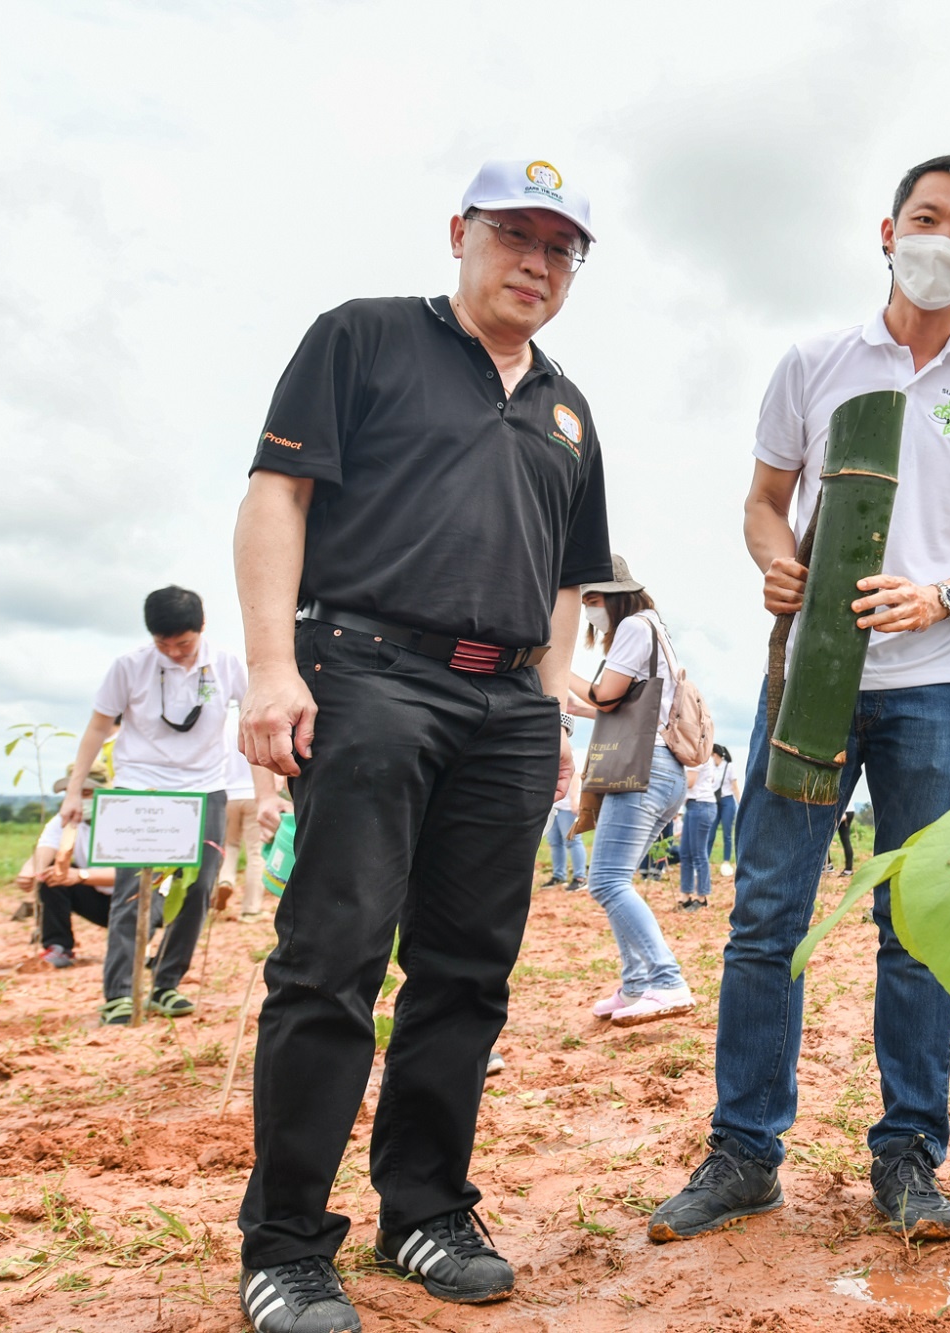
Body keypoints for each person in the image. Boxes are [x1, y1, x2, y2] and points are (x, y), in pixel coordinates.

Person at [231, 157, 609, 1332]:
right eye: (515, 235)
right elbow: (275, 497)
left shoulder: (567, 408)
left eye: (560, 247)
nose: (535, 262)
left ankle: (426, 1210)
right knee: (329, 959)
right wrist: (271, 666)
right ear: (461, 232)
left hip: (504, 710)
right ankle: (287, 1244)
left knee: (465, 972)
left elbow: (565, 580)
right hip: (367, 673)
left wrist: (548, 707)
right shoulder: (361, 338)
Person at [650, 154, 950, 1245]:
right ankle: (743, 1152)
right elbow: (762, 501)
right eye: (924, 217)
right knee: (766, 915)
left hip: (932, 692)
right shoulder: (814, 361)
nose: (940, 238)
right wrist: (775, 563)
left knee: (915, 927)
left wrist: (940, 594)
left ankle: (908, 1154)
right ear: (885, 229)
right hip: (806, 681)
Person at [59, 587, 258, 1026]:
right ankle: (119, 994)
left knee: (198, 891)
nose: (173, 653)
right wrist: (74, 791)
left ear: (201, 629)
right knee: (132, 891)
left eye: (183, 644)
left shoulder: (225, 665)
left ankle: (166, 986)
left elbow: (253, 722)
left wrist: (266, 795)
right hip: (139, 787)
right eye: (163, 645)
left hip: (205, 789)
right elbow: (97, 728)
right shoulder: (129, 666)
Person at [564, 557, 697, 1016]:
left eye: (594, 600)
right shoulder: (654, 629)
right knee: (614, 880)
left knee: (606, 882)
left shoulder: (635, 628)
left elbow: (606, 696)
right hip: (661, 769)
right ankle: (637, 984)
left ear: (618, 595)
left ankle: (666, 978)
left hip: (645, 768)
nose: (588, 610)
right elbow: (609, 709)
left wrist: (557, 666)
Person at [18, 769, 118, 967]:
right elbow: (46, 847)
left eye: (87, 793)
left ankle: (140, 950)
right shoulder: (66, 819)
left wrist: (81, 876)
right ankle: (58, 947)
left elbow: (130, 876)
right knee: (53, 875)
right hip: (99, 902)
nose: (80, 800)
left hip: (138, 903)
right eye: (74, 793)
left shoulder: (126, 822)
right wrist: (30, 871)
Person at [218, 710, 269, 923]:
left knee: (229, 845)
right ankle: (251, 909)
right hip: (254, 793)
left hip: (226, 793)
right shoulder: (253, 715)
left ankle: (225, 880)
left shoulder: (221, 719)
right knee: (255, 853)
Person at [679, 747, 723, 908]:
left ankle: (702, 897)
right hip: (694, 805)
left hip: (701, 805)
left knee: (698, 854)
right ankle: (686, 895)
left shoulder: (696, 753)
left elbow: (690, 782)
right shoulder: (698, 754)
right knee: (685, 853)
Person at [544, 744, 587, 890]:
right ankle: (558, 876)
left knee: (572, 841)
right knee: (555, 842)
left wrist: (575, 800)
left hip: (568, 807)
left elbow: (575, 775)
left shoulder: (567, 751)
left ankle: (580, 877)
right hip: (554, 806)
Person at [708, 743, 739, 875]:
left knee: (727, 833)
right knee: (710, 833)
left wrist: (740, 803)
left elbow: (734, 786)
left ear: (715, 754)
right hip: (714, 801)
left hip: (727, 801)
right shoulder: (711, 767)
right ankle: (705, 861)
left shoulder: (729, 766)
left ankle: (726, 862)